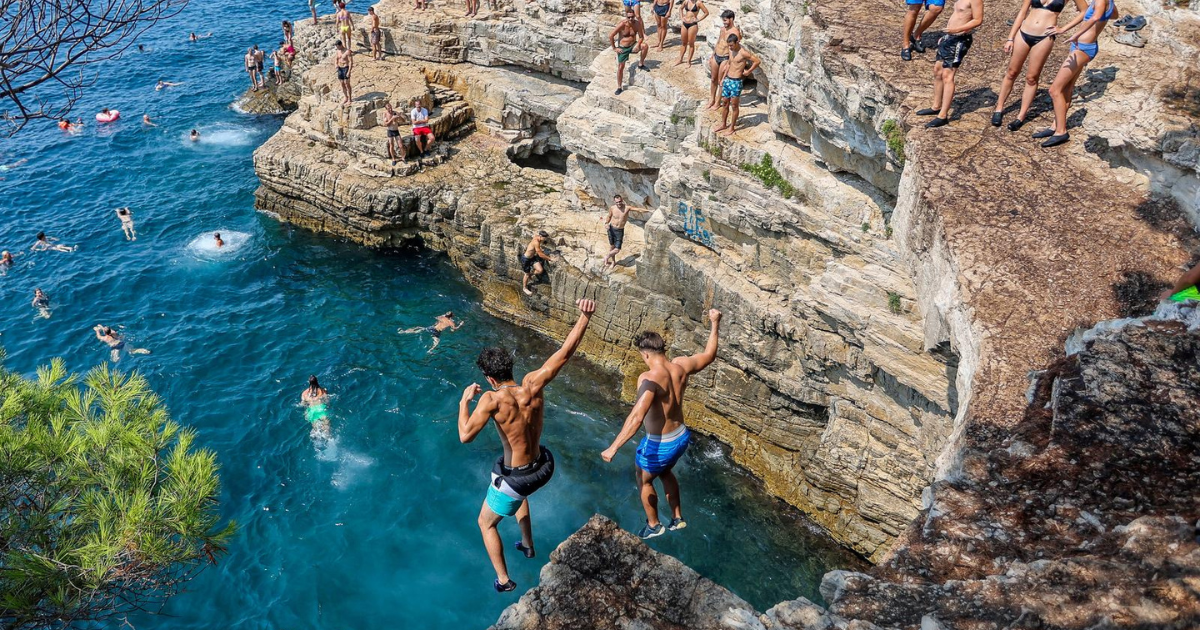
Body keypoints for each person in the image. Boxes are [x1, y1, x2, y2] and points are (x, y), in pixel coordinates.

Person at [459, 298, 597, 592]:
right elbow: (564, 353)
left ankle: (504, 580)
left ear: (489, 378)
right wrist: (584, 317)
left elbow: (465, 436)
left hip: (520, 478)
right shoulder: (534, 383)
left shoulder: (492, 399)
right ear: (511, 367)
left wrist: (464, 402)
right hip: (544, 465)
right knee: (509, 474)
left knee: (486, 523)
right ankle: (527, 543)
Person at [601, 309, 722, 538]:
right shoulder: (681, 366)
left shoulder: (649, 380)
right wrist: (715, 323)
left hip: (660, 442)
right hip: (682, 436)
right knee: (665, 470)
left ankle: (654, 525)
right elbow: (709, 354)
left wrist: (613, 447)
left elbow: (637, 417)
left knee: (643, 478)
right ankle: (677, 518)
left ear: (645, 355)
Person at [991, 0, 1084, 130]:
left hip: (1044, 37)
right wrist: (1010, 38)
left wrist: (1063, 28)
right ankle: (999, 108)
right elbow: (1022, 12)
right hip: (1023, 33)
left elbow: (1085, 11)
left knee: (1032, 78)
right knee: (1012, 72)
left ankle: (1021, 116)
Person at [1033, 0, 1115, 147]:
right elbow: (1114, 15)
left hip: (1083, 48)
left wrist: (1075, 34)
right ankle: (1055, 126)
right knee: (1067, 87)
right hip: (1082, 46)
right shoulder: (1108, 2)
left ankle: (1061, 131)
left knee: (1054, 90)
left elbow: (1096, 17)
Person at [914, 0, 984, 128]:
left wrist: (957, 29)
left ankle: (943, 115)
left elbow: (978, 20)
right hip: (949, 38)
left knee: (948, 75)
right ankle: (936, 106)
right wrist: (947, 35)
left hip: (960, 40)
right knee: (937, 71)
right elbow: (957, 15)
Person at [713, 34, 760, 136]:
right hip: (728, 80)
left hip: (736, 81)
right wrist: (723, 78)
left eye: (731, 45)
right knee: (725, 103)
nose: (730, 47)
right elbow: (729, 64)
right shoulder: (730, 51)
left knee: (734, 105)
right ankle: (723, 124)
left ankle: (732, 128)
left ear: (737, 42)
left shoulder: (743, 53)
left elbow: (757, 61)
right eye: (729, 46)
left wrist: (748, 72)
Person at [706, 11, 742, 110]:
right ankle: (711, 99)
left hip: (725, 57)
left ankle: (718, 102)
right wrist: (712, 55)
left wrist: (730, 63)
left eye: (725, 20)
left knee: (720, 81)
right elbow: (719, 42)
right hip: (717, 55)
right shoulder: (722, 29)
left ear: (731, 19)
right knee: (713, 79)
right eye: (723, 20)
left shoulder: (735, 32)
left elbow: (734, 49)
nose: (724, 22)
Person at [609, 8, 649, 96]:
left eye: (632, 17)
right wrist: (614, 48)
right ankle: (619, 87)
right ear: (626, 16)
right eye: (629, 17)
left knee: (645, 46)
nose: (630, 19)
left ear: (634, 16)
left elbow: (641, 37)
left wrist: (638, 44)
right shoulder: (622, 24)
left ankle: (641, 64)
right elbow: (611, 35)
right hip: (623, 48)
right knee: (620, 67)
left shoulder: (637, 24)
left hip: (633, 45)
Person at [399, 311, 464, 352]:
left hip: (432, 328)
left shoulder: (441, 317)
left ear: (446, 315)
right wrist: (460, 324)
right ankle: (430, 350)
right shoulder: (451, 323)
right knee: (437, 341)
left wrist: (443, 316)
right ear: (452, 316)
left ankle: (404, 331)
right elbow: (453, 329)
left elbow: (436, 317)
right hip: (437, 332)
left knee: (419, 329)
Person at [675, 0, 709, 66]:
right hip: (684, 23)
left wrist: (698, 19)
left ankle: (688, 61)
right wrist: (681, 17)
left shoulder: (698, 3)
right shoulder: (686, 1)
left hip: (693, 24)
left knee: (691, 43)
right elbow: (681, 8)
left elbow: (706, 12)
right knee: (683, 42)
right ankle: (680, 59)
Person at [602, 195, 631, 269]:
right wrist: (606, 223)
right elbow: (609, 216)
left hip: (619, 230)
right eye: (617, 202)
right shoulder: (612, 208)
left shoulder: (627, 208)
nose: (619, 203)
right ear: (615, 201)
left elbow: (639, 209)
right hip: (611, 229)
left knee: (617, 249)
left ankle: (606, 257)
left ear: (622, 200)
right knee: (612, 247)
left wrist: (650, 211)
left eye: (620, 201)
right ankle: (613, 262)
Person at [520, 231, 551, 296]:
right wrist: (549, 258)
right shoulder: (536, 242)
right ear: (541, 236)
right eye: (545, 238)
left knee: (540, 270)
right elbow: (540, 255)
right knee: (526, 274)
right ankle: (524, 288)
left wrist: (542, 245)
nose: (545, 240)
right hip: (526, 259)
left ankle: (530, 274)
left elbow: (538, 247)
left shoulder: (537, 237)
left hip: (532, 258)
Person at [335, 41, 354, 107]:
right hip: (340, 68)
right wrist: (336, 65)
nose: (337, 48)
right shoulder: (338, 51)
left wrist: (349, 71)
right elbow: (336, 59)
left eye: (338, 47)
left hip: (346, 68)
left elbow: (351, 62)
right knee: (342, 83)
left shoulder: (347, 51)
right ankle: (346, 97)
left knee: (347, 83)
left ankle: (350, 99)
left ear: (341, 45)